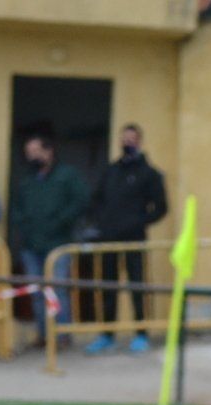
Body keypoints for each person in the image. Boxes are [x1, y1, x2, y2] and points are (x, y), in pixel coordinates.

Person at [86, 124, 169, 355]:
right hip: (109, 239)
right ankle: (106, 334)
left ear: (140, 141)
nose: (127, 143)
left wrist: (138, 222)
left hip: (134, 239)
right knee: (108, 288)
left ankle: (141, 334)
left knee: (137, 287)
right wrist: (101, 224)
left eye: (131, 139)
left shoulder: (149, 174)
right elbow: (96, 200)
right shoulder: (111, 171)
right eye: (124, 139)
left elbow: (161, 208)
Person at [8, 131, 87, 349]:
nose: (32, 157)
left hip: (58, 244)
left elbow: (81, 201)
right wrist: (23, 227)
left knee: (58, 290)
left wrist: (61, 221)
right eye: (28, 153)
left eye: (36, 151)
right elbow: (16, 209)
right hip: (31, 246)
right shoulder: (26, 181)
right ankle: (43, 336)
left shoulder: (67, 175)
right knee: (36, 293)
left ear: (49, 151)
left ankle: (61, 335)